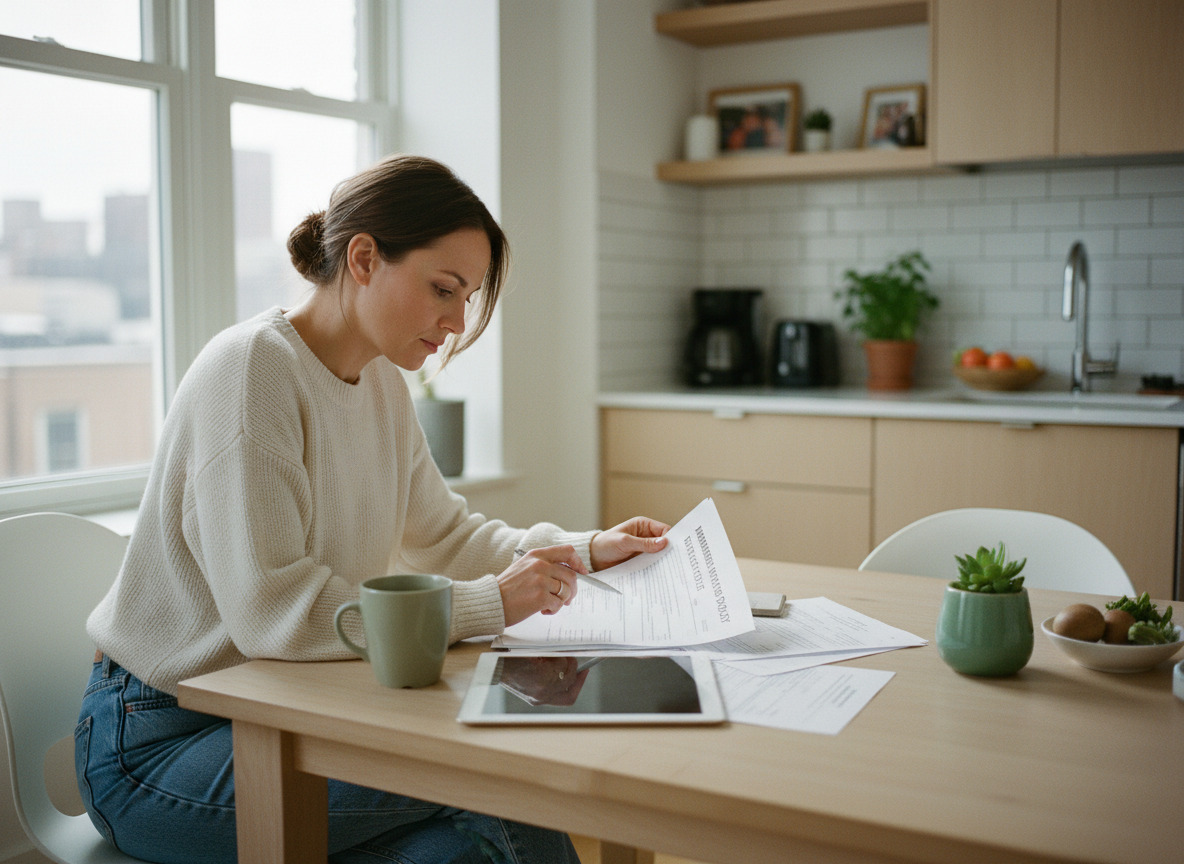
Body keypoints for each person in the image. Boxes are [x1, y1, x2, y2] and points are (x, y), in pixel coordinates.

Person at [77, 153, 671, 864]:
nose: (455, 321)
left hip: (285, 709)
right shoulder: (251, 372)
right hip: (159, 741)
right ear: (364, 258)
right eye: (443, 289)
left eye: (468, 298)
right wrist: (487, 604)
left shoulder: (380, 382)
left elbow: (446, 534)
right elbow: (275, 610)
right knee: (493, 777)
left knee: (470, 846)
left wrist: (586, 549)